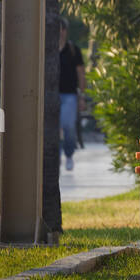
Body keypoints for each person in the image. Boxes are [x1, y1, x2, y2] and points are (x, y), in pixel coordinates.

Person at [58, 18, 86, 170]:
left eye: (62, 29)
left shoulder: (74, 50)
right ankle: (55, 157)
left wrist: (81, 96)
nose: (60, 32)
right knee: (54, 128)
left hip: (70, 95)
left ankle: (69, 154)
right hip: (51, 95)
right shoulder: (46, 50)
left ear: (65, 31)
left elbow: (81, 74)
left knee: (67, 125)